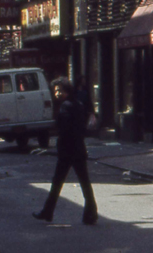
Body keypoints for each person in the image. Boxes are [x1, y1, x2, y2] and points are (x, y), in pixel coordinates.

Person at [33, 78, 98, 225]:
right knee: (84, 183)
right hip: (79, 149)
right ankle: (91, 213)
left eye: (59, 90)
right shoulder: (78, 105)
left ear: (66, 91)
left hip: (67, 151)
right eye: (55, 90)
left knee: (57, 183)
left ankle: (47, 212)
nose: (56, 93)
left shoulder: (65, 107)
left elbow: (65, 129)